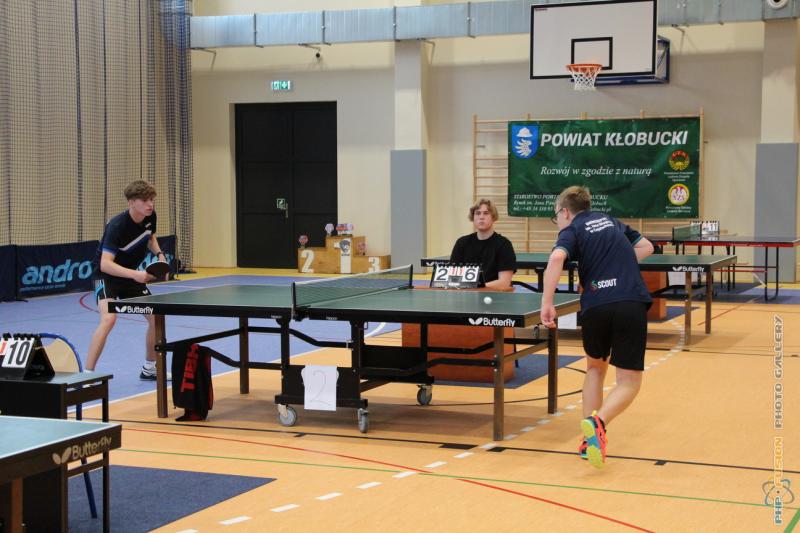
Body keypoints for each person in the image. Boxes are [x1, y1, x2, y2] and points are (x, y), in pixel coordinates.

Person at [540, 186, 654, 469]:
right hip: (629, 301)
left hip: (596, 304)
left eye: (557, 217)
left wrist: (547, 303)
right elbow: (646, 247)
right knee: (629, 381)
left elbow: (556, 258)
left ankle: (588, 439)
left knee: (594, 369)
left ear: (565, 211)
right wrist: (618, 266)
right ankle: (598, 422)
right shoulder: (612, 222)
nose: (559, 222)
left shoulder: (573, 229)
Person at [86, 180, 166, 380]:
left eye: (152, 200)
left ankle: (149, 368)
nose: (150, 204)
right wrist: (136, 275)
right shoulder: (117, 226)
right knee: (108, 319)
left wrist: (160, 254)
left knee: (156, 318)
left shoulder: (150, 216)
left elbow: (150, 237)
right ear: (131, 202)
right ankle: (86, 375)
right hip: (105, 277)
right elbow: (105, 264)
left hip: (129, 275)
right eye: (145, 200)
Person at [450, 199, 516, 289]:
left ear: (493, 217)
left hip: (495, 294)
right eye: (477, 213)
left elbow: (504, 283)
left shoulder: (504, 245)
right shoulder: (461, 243)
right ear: (473, 217)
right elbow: (452, 277)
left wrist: (475, 287)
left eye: (486, 213)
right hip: (466, 293)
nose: (481, 217)